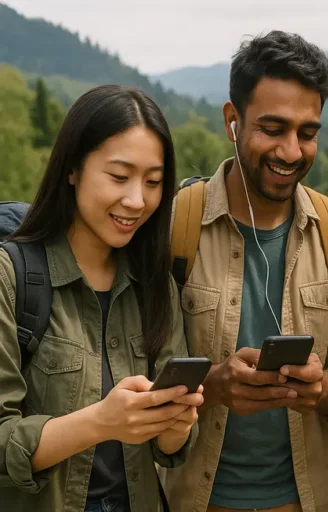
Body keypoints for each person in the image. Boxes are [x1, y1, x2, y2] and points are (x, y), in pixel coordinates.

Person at [158, 31, 328, 512]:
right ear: (231, 121)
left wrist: (318, 389)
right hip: (191, 499)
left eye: (307, 134)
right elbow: (135, 375)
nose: (291, 152)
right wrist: (213, 386)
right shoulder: (172, 228)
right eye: (272, 129)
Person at [0, 84, 202, 512]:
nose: (137, 200)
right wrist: (101, 422)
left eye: (153, 182)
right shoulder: (11, 276)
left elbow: (170, 449)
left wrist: (176, 422)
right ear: (73, 168)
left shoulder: (154, 284)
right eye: (119, 177)